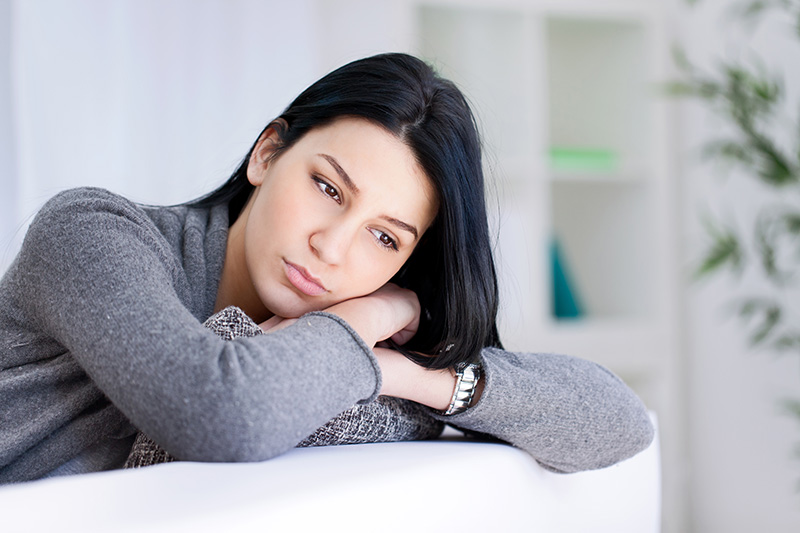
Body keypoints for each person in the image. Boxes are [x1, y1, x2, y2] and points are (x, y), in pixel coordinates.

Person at [0, 53, 653, 484]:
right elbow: (218, 407)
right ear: (267, 153)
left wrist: (412, 375)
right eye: (328, 187)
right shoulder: (90, 232)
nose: (333, 247)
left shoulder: (325, 349)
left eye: (384, 236)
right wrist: (375, 312)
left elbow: (620, 422)